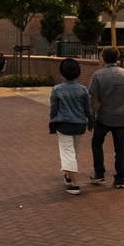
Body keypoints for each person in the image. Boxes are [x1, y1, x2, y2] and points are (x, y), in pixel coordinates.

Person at [88, 46, 124, 189]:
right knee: (120, 148)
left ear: (103, 58)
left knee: (97, 143)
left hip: (104, 117)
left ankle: (99, 173)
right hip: (122, 117)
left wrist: (92, 116)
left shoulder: (98, 75)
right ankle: (120, 179)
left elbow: (94, 98)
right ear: (117, 58)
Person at [49, 58, 93, 194]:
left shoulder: (57, 89)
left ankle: (74, 184)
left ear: (62, 73)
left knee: (67, 152)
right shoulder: (83, 89)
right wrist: (91, 121)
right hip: (80, 125)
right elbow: (88, 109)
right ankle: (68, 176)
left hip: (64, 125)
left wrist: (53, 121)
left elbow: (53, 109)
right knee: (75, 152)